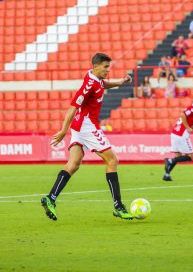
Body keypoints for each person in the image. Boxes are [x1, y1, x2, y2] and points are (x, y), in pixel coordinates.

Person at [41, 53, 134, 221]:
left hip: (80, 125)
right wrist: (63, 131)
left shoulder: (96, 79)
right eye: (105, 67)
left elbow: (102, 84)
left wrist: (119, 82)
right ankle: (118, 206)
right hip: (86, 125)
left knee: (74, 163)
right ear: (95, 66)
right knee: (112, 160)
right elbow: (72, 107)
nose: (108, 69)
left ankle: (50, 198)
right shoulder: (89, 84)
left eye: (108, 66)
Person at [163, 95, 193, 181]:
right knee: (190, 156)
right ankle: (170, 160)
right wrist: (187, 127)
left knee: (178, 156)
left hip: (175, 133)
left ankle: (167, 175)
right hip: (182, 134)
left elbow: (192, 125)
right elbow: (183, 115)